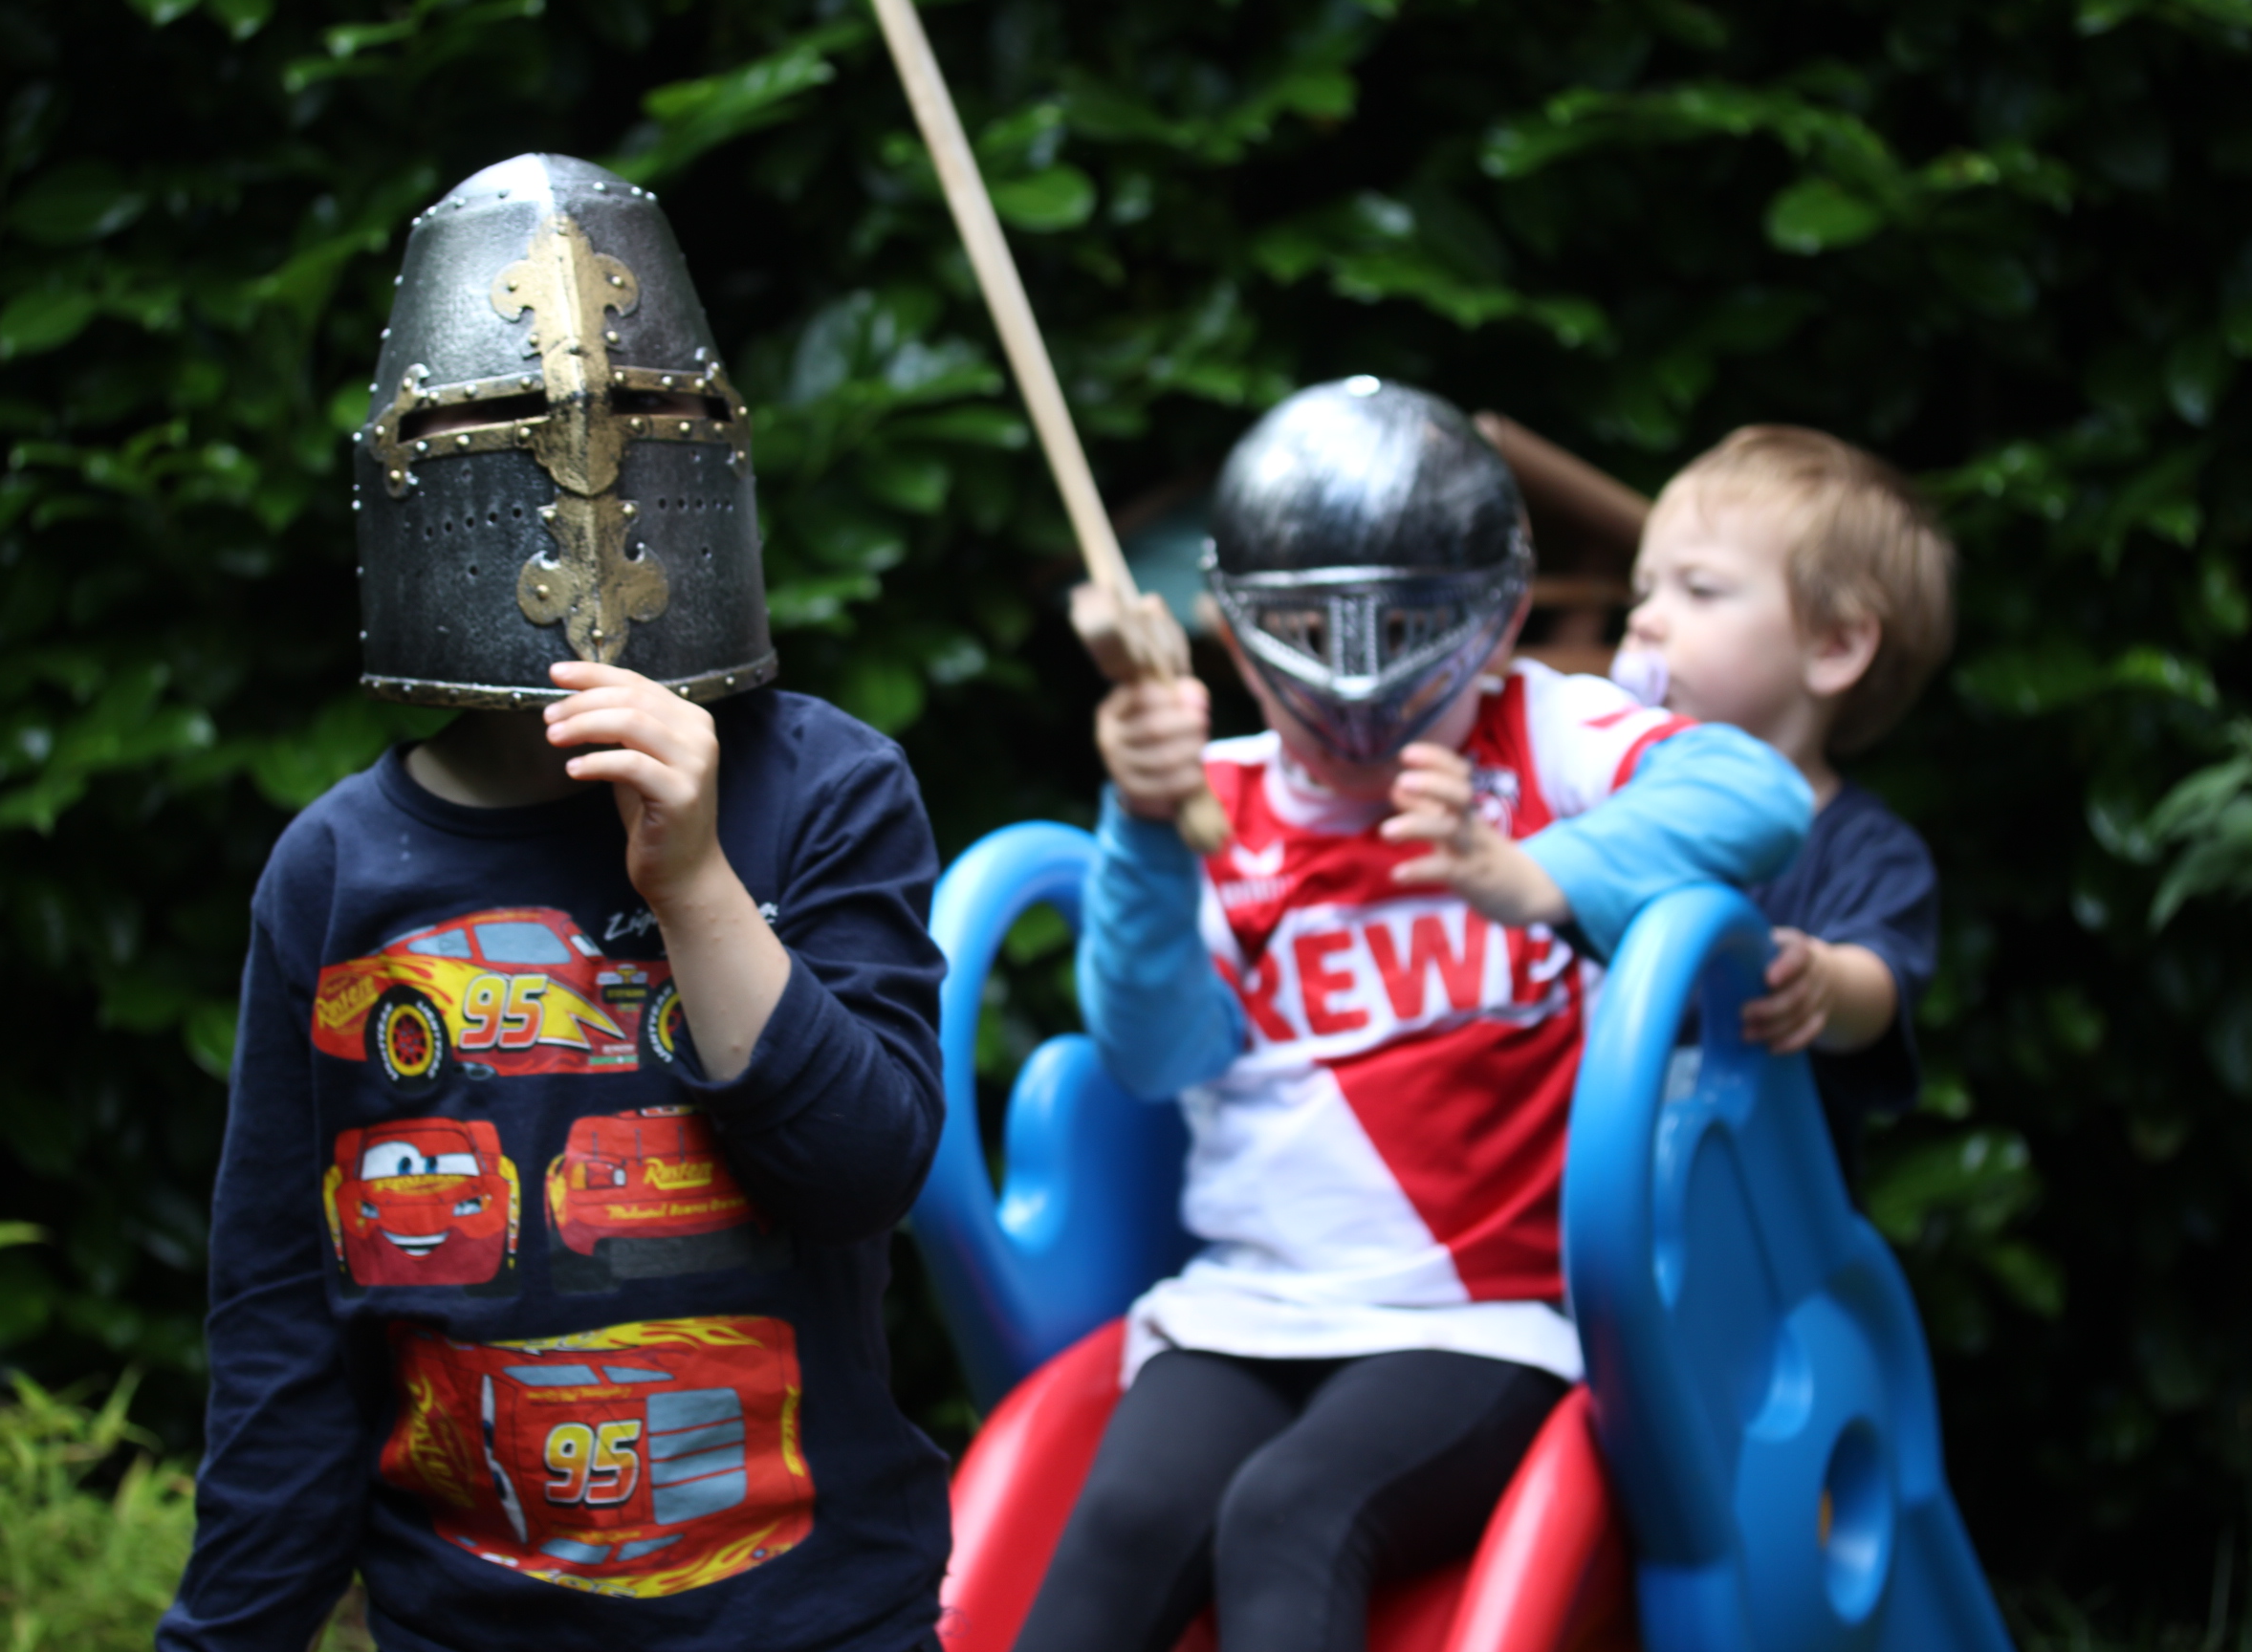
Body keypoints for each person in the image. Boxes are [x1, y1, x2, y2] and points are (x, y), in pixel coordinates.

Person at [158, 155, 951, 1652]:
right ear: (409, 464)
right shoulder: (336, 877)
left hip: (813, 1622)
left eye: (641, 417)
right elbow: (282, 1323)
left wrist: (699, 880)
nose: (583, 459)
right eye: (505, 426)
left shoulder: (827, 791)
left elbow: (861, 1175)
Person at [1009, 379, 1812, 1652]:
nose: (1359, 689)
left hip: (1492, 1319)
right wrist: (1145, 828)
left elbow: (1758, 793)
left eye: (1409, 628)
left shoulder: (1551, 737)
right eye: (1312, 637)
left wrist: (1548, 876)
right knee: (1123, 1522)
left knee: (1292, 1513)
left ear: (1495, 620)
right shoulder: (1208, 796)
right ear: (1235, 633)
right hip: (1247, 1306)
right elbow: (1153, 1053)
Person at [1613, 424, 1953, 1186]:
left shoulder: (1863, 849)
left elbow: (1879, 981)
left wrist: (1823, 982)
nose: (1644, 620)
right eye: (1644, 589)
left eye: (1697, 590)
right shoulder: (1607, 811)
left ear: (1833, 646)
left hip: (1765, 1241)